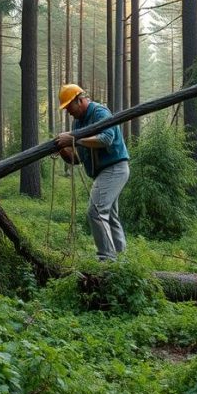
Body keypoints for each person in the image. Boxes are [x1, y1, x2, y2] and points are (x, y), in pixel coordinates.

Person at [54, 84, 130, 262]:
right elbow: (78, 159)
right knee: (110, 216)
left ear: (79, 100)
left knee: (96, 211)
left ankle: (107, 259)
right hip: (106, 172)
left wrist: (74, 138)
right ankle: (122, 260)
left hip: (115, 168)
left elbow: (106, 139)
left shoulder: (100, 112)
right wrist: (64, 150)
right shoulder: (78, 122)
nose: (68, 112)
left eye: (68, 107)